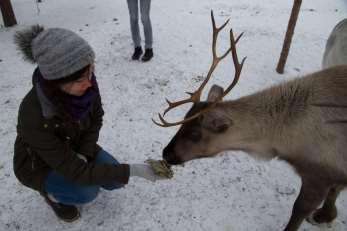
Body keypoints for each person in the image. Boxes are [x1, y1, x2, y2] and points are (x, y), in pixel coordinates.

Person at [13, 25, 165, 222]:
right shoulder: (33, 114)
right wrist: (135, 170)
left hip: (74, 144)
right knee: (86, 192)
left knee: (115, 182)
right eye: (79, 79)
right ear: (56, 82)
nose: (89, 82)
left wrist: (84, 152)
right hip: (40, 164)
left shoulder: (86, 83)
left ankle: (79, 170)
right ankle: (54, 197)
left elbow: (96, 120)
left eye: (91, 71)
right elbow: (77, 171)